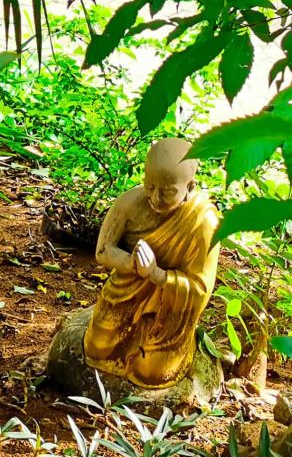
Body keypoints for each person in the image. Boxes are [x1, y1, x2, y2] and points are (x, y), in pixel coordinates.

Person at [85, 138, 220, 388]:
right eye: (150, 186)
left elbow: (200, 289)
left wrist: (157, 274)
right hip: (127, 288)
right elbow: (103, 251)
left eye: (168, 191)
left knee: (151, 372)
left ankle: (177, 348)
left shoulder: (203, 223)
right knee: (98, 348)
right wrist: (132, 263)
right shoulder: (129, 204)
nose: (156, 198)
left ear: (190, 187)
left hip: (169, 305)